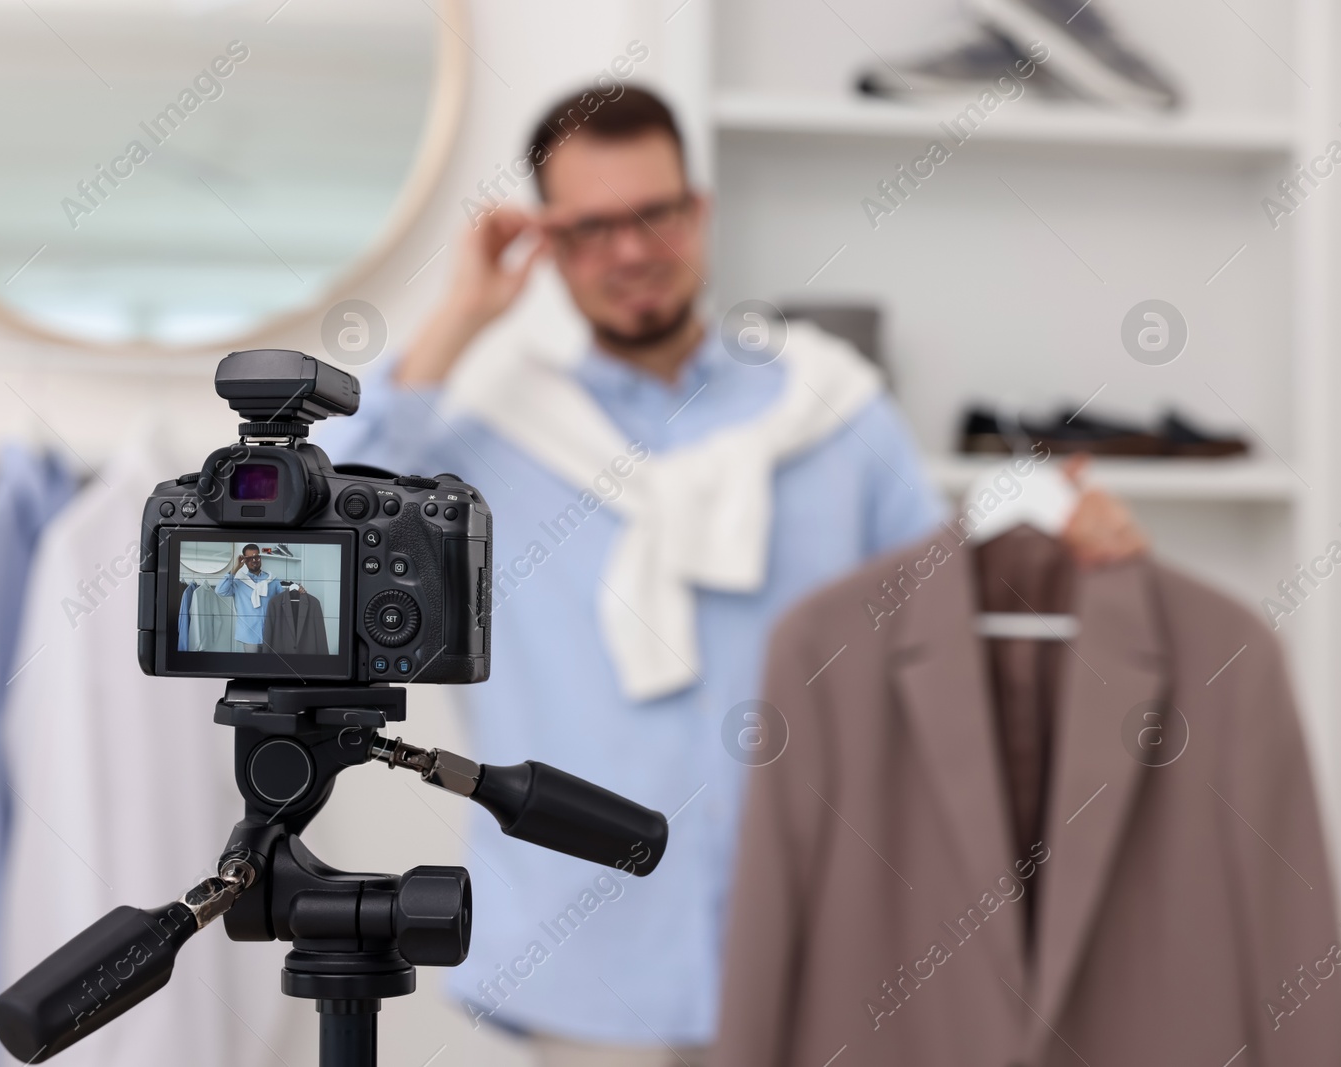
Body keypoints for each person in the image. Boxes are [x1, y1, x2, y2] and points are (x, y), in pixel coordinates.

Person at [337, 85, 1144, 1067]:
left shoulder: (832, 412)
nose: (630, 251)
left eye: (653, 213)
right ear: (543, 240)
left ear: (698, 212)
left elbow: (947, 617)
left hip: (815, 944)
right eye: (590, 226)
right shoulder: (491, 435)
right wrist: (461, 313)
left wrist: (1054, 532)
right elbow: (336, 513)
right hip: (585, 964)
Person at [216, 543, 274, 652]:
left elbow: (282, 601)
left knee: (268, 666)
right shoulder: (239, 583)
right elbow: (220, 590)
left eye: (256, 556)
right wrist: (236, 567)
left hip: (270, 634)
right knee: (251, 667)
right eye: (250, 558)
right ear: (245, 560)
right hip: (249, 635)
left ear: (260, 557)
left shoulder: (272, 580)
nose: (254, 560)